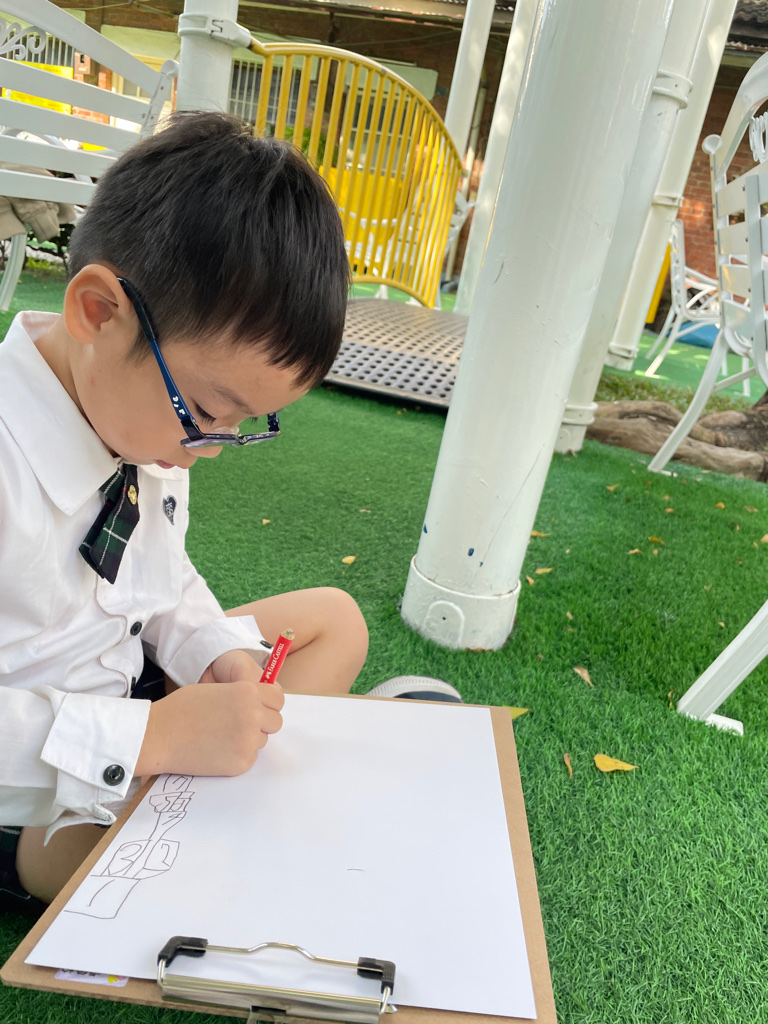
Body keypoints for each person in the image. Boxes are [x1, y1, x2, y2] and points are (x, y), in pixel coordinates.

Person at [0, 111, 461, 915]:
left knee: (336, 621)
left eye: (242, 424)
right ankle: (295, 778)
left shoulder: (139, 424)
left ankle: (264, 772)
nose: (210, 448)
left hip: (132, 686)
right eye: (209, 413)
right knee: (117, 861)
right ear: (98, 313)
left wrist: (213, 652)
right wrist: (153, 739)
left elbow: (161, 580)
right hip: (42, 782)